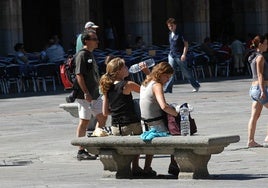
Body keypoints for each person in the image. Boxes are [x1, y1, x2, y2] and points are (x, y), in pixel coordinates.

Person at [99, 57, 156, 177]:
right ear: (119, 71)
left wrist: (117, 111)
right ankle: (139, 167)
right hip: (130, 125)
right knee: (149, 137)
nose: (127, 68)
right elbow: (147, 91)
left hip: (115, 127)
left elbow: (105, 112)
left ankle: (134, 167)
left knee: (135, 137)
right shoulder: (127, 85)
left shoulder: (107, 87)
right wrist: (147, 72)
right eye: (124, 66)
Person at [140, 61, 180, 176]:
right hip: (156, 126)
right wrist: (177, 114)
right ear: (160, 74)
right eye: (167, 76)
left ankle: (147, 168)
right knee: (177, 133)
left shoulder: (146, 82)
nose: (168, 79)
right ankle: (173, 165)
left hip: (145, 125)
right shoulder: (157, 85)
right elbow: (164, 106)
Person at [75, 29, 108, 160]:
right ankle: (81, 150)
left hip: (95, 93)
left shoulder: (90, 54)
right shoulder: (82, 55)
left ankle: (94, 143)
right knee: (84, 121)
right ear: (86, 41)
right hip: (85, 95)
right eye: (94, 39)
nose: (97, 41)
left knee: (102, 117)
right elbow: (79, 75)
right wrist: (86, 93)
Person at [164, 18, 200, 93]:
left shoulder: (180, 34)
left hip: (179, 55)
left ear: (175, 25)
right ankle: (168, 89)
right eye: (169, 26)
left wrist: (184, 54)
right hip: (172, 55)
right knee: (170, 72)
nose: (170, 28)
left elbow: (186, 45)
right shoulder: (170, 34)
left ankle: (196, 85)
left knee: (185, 72)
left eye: (172, 26)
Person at [247, 34, 268, 147]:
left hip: (253, 89)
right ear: (260, 44)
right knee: (255, 115)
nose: (267, 46)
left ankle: (250, 141)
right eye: (265, 44)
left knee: (255, 115)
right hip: (260, 88)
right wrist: (263, 90)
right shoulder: (260, 57)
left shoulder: (253, 56)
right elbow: (260, 75)